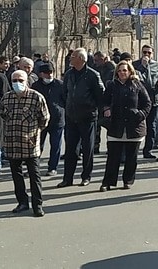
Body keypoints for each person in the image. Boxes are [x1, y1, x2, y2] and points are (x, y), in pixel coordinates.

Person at [0, 70, 49, 217]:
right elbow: (3, 114)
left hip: (30, 144)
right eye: (14, 80)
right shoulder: (6, 98)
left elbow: (44, 119)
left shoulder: (36, 97)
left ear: (27, 81)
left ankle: (37, 205)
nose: (17, 83)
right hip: (12, 144)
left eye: (20, 80)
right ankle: (22, 202)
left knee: (34, 176)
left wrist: (34, 132)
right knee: (17, 176)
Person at [100, 61, 151, 191]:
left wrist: (140, 114)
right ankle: (108, 182)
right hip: (116, 127)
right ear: (116, 72)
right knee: (113, 157)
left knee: (131, 157)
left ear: (130, 72)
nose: (122, 73)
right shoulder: (111, 85)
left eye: (125, 70)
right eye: (120, 70)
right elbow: (104, 101)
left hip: (134, 127)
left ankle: (128, 180)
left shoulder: (137, 85)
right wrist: (106, 109)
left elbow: (147, 103)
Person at [57, 48, 104, 188]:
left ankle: (86, 176)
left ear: (81, 59)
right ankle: (67, 178)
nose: (70, 59)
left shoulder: (93, 75)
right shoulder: (69, 74)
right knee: (71, 149)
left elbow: (100, 95)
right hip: (71, 116)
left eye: (73, 57)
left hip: (88, 117)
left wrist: (93, 109)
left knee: (87, 148)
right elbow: (64, 93)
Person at [31, 63, 65, 176]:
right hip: (40, 120)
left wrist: (61, 111)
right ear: (41, 74)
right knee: (37, 145)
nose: (49, 75)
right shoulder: (36, 86)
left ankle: (52, 167)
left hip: (57, 120)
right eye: (46, 73)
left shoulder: (60, 84)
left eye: (51, 72)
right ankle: (34, 167)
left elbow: (65, 100)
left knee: (55, 145)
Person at [132, 45, 158, 159]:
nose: (146, 55)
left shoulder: (157, 66)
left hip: (154, 100)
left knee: (152, 125)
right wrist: (144, 67)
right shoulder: (136, 65)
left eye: (149, 53)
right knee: (136, 125)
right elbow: (140, 82)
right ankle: (133, 149)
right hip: (140, 101)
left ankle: (148, 149)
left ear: (152, 54)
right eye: (144, 52)